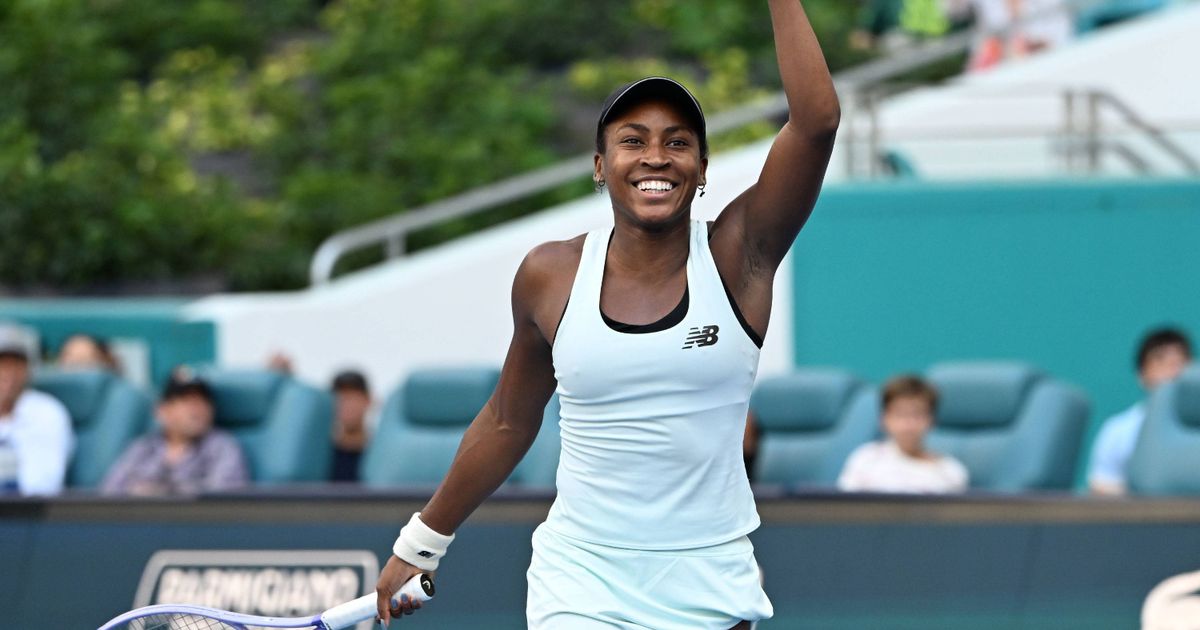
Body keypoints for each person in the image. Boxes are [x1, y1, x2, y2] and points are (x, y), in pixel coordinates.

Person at [373, 2, 840, 627]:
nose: (656, 156)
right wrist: (422, 542)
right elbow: (509, 420)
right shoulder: (549, 275)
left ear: (702, 170)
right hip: (580, 580)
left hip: (710, 581)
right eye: (632, 141)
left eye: (678, 142)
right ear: (600, 166)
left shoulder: (740, 253)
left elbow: (816, 123)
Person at [101, 368, 249, 496]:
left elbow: (226, 498)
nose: (197, 408)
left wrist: (160, 491)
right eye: (186, 401)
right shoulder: (143, 448)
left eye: (203, 400)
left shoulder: (222, 446)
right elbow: (109, 493)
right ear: (162, 410)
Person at [1088, 327, 1192, 496]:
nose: (1173, 371)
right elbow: (1101, 485)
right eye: (1161, 360)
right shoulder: (1117, 429)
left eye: (1181, 361)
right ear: (1141, 374)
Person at [838, 375, 969, 494]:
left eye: (917, 415)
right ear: (884, 419)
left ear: (932, 421)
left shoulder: (951, 471)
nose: (909, 424)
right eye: (900, 414)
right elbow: (843, 507)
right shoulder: (865, 459)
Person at [0, 323, 74, 495]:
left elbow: (44, 486)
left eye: (17, 364)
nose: (8, 373)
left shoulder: (47, 413)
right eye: (2, 364)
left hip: (27, 509)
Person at [330, 369, 372, 483]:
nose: (347, 405)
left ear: (368, 400)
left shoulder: (381, 453)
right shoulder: (323, 456)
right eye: (340, 399)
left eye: (352, 398)